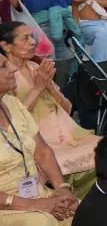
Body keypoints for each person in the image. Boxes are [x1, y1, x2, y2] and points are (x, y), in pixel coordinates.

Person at [0, 51, 78, 226]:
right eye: (4, 66)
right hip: (7, 203)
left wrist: (62, 188)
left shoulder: (12, 103)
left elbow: (42, 151)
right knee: (42, 224)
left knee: (74, 209)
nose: (12, 69)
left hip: (31, 192)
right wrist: (36, 205)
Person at [0, 22, 100, 187]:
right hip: (41, 140)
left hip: (68, 134)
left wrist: (49, 87)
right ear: (6, 46)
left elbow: (68, 109)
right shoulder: (6, 79)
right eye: (25, 38)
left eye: (32, 37)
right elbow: (15, 118)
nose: (33, 42)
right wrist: (38, 87)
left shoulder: (37, 68)